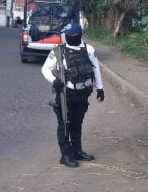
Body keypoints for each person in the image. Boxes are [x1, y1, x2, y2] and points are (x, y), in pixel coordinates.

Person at [41, 22, 105, 167]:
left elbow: (96, 70)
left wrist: (100, 89)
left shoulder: (88, 49)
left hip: (83, 94)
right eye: (69, 36)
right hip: (66, 95)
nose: (71, 38)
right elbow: (45, 69)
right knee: (64, 124)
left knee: (77, 124)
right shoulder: (58, 51)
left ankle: (77, 151)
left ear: (80, 35)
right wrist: (54, 80)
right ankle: (65, 155)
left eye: (74, 36)